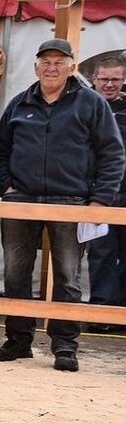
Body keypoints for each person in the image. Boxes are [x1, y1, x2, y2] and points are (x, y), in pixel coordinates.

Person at [0, 39, 125, 372]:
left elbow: (112, 153)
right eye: (46, 62)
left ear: (72, 67)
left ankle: (65, 344)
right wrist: (7, 188)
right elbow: (0, 151)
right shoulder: (19, 104)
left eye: (59, 62)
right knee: (15, 274)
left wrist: (99, 200)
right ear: (36, 67)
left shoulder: (92, 103)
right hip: (22, 201)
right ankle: (18, 340)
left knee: (68, 276)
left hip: (71, 201)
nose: (52, 68)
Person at [85, 54, 126, 328]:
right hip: (98, 193)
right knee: (101, 252)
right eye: (104, 79)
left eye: (115, 79)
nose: (109, 84)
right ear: (94, 79)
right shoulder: (85, 107)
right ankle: (101, 310)